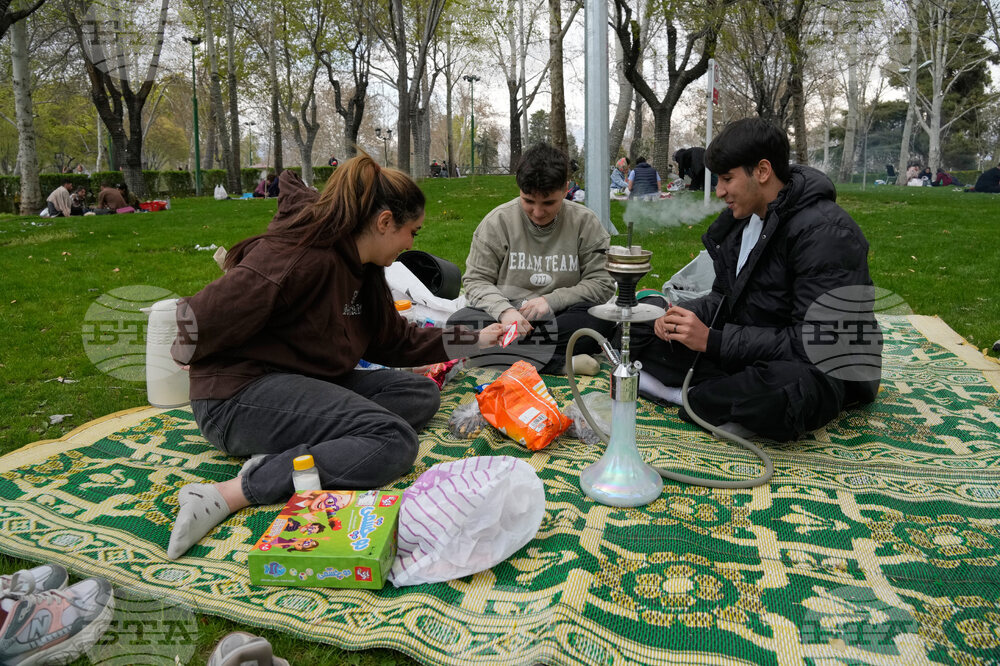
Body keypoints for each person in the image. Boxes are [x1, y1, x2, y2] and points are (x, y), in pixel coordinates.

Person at [165, 154, 504, 559]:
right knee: (393, 439)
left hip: (296, 380)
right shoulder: (300, 256)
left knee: (418, 395)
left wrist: (474, 339)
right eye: (411, 232)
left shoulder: (364, 267)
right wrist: (186, 348)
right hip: (234, 399)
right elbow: (202, 314)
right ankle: (230, 492)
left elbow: (392, 340)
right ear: (384, 222)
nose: (411, 244)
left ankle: (293, 448)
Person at [631, 117, 881, 442]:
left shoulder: (827, 233)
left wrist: (713, 341)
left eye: (727, 179)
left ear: (762, 171)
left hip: (821, 366)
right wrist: (678, 318)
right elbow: (722, 298)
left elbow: (818, 342)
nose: (719, 191)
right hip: (750, 351)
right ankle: (718, 401)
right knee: (638, 331)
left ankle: (688, 397)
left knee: (785, 390)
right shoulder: (742, 222)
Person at [447, 142, 616, 375]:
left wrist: (552, 300)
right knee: (457, 326)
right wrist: (505, 312)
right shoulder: (497, 222)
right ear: (519, 190)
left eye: (549, 203)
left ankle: (495, 356)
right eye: (528, 201)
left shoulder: (586, 223)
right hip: (505, 318)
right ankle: (560, 364)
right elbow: (475, 281)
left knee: (599, 320)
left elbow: (602, 283)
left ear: (566, 189)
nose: (538, 213)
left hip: (561, 316)